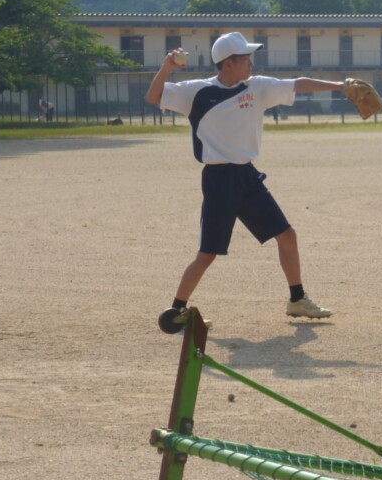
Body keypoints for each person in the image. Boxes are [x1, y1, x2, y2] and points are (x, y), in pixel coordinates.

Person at [145, 32, 339, 329]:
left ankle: (297, 299)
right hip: (219, 179)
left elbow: (298, 83)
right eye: (244, 58)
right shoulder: (197, 92)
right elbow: (154, 96)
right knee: (208, 253)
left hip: (247, 176)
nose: (250, 63)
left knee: (287, 236)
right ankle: (176, 311)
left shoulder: (257, 86)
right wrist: (167, 68)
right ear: (227, 64)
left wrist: (342, 86)